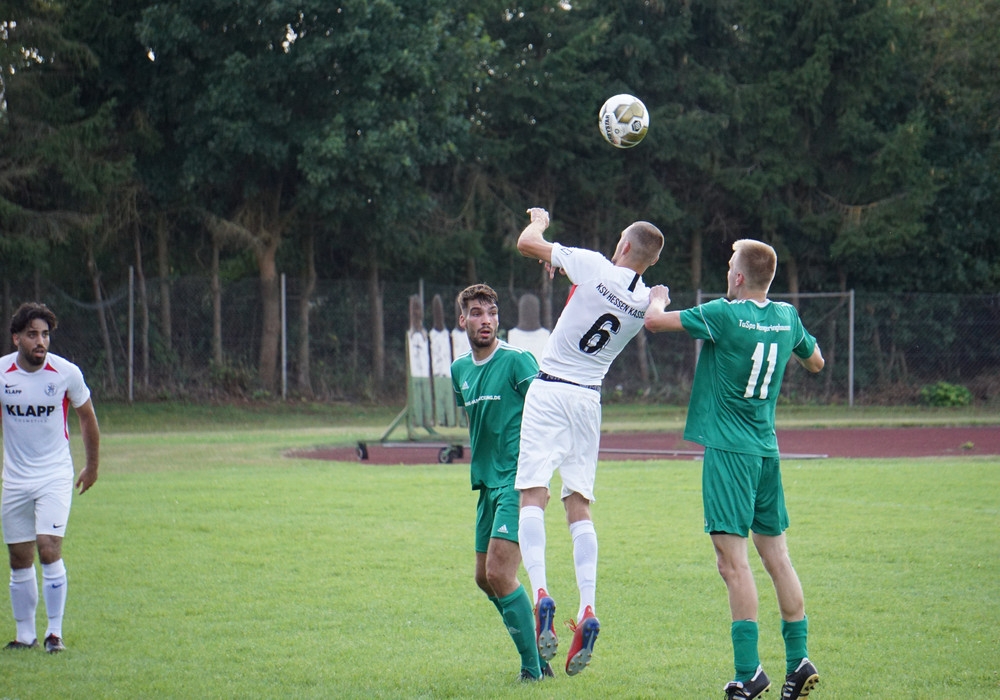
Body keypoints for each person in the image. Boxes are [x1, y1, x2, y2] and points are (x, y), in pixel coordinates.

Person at [643, 239, 825, 700]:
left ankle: (749, 674)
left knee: (732, 564)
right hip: (767, 450)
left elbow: (654, 322)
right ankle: (799, 660)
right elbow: (817, 362)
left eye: (730, 266)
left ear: (739, 277)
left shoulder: (723, 313)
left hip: (729, 452)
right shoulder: (787, 317)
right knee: (777, 557)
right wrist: (790, 352)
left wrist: (658, 296)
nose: (727, 272)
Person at [514, 207, 665, 676]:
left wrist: (539, 221)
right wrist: (657, 293)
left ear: (621, 247)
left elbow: (526, 242)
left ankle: (540, 592)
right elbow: (652, 309)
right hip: (589, 402)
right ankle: (588, 607)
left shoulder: (595, 264)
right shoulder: (643, 303)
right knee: (578, 504)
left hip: (550, 387)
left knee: (531, 496)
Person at [450, 284, 550, 682]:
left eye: (490, 312)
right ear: (463, 321)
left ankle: (534, 668)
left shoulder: (517, 361)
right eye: (476, 313)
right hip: (486, 484)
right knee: (483, 577)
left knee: (500, 573)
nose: (485, 319)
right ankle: (535, 632)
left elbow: (545, 410)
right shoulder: (459, 371)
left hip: (518, 480)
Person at [1, 302, 100, 654]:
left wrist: (92, 466)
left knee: (48, 548)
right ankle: (25, 634)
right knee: (18, 557)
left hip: (55, 475)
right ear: (16, 339)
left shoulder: (65, 373)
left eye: (45, 334)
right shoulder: (2, 374)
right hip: (14, 479)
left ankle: (54, 634)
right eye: (32, 335)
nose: (40, 341)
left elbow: (87, 417)